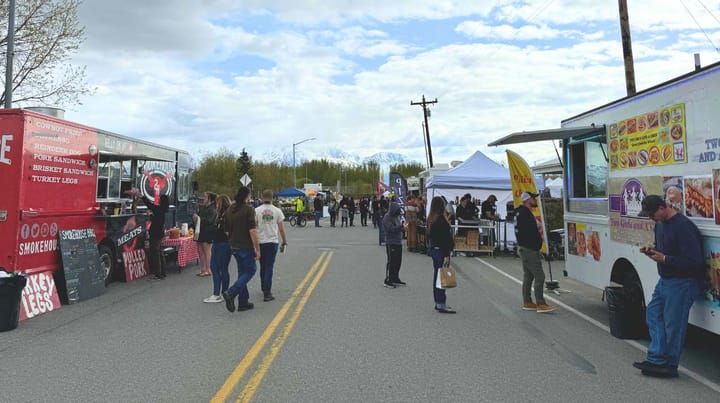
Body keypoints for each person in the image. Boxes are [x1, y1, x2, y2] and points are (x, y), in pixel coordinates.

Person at [634, 195, 705, 378]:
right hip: (666, 279)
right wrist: (653, 251)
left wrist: (665, 259)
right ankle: (657, 357)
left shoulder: (683, 226)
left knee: (674, 324)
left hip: (683, 281)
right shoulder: (660, 224)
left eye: (652, 214)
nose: (651, 218)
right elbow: (664, 248)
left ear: (662, 208)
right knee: (653, 314)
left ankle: (669, 364)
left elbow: (694, 261)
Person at [515, 192, 555, 313]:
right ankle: (540, 303)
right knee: (539, 276)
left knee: (528, 275)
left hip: (524, 247)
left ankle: (527, 301)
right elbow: (529, 232)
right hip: (529, 249)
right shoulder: (525, 214)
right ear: (528, 200)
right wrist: (537, 244)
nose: (535, 200)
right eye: (533, 198)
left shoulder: (519, 212)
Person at [222, 186, 260, 313]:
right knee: (251, 270)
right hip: (246, 245)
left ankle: (243, 302)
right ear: (247, 196)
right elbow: (252, 231)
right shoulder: (248, 210)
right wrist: (257, 248)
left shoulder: (230, 209)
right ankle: (231, 292)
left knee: (242, 272)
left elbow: (226, 230)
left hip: (233, 244)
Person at [255, 189, 288, 302]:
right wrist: (284, 240)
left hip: (260, 241)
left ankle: (263, 286)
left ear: (262, 198)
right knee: (269, 266)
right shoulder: (277, 211)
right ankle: (267, 292)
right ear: (272, 198)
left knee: (263, 266)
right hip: (272, 241)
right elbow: (281, 229)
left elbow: (254, 228)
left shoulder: (257, 211)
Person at [427, 196, 455, 313]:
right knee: (441, 277)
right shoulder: (441, 220)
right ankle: (441, 302)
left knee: (437, 276)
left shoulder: (431, 219)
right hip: (441, 251)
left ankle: (438, 302)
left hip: (435, 249)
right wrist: (447, 254)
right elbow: (444, 239)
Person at [205, 195, 232, 303]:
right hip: (223, 243)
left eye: (217, 203)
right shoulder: (226, 214)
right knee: (223, 269)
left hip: (221, 243)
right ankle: (225, 291)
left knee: (216, 268)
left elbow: (226, 231)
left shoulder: (224, 216)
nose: (216, 205)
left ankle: (217, 293)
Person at [142, 194, 170, 280]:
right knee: (160, 252)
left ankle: (158, 273)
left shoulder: (158, 209)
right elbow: (157, 218)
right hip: (160, 233)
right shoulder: (163, 210)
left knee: (155, 253)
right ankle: (163, 272)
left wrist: (142, 197)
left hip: (155, 233)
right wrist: (151, 216)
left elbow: (149, 204)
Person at [382, 202, 407, 288]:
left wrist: (403, 228)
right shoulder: (387, 217)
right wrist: (400, 227)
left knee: (397, 261)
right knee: (391, 262)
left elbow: (398, 227)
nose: (398, 213)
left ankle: (395, 277)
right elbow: (390, 229)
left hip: (398, 242)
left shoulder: (396, 217)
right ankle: (388, 279)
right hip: (391, 242)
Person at [194, 192, 217, 277]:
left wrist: (199, 218)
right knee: (200, 250)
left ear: (210, 199)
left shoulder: (212, 209)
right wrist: (196, 218)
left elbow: (210, 221)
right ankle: (203, 268)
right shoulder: (203, 208)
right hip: (200, 231)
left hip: (208, 232)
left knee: (207, 251)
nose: (203, 198)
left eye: (205, 197)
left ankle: (208, 269)